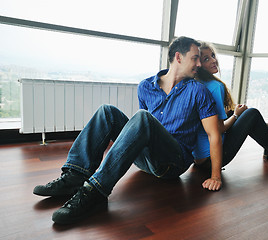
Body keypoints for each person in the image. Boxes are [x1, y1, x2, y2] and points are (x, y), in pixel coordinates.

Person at [33, 36, 223, 225]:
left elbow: (213, 134)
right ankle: (75, 176)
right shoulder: (146, 86)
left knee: (142, 117)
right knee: (107, 112)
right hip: (147, 161)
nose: (199, 64)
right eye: (195, 58)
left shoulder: (198, 91)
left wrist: (215, 176)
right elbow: (140, 131)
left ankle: (95, 192)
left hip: (173, 163)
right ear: (179, 57)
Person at [192, 42, 268, 170]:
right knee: (252, 114)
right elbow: (219, 129)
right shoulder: (214, 87)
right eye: (206, 59)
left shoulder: (194, 84)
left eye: (213, 55)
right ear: (199, 65)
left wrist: (233, 113)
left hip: (198, 160)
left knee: (231, 112)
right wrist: (236, 115)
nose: (214, 60)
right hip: (214, 158)